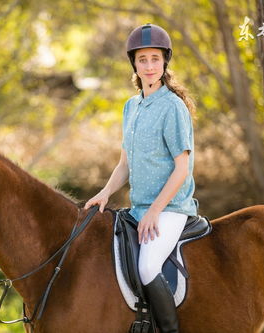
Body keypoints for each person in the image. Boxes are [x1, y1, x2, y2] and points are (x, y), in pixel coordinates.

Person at [85, 23, 198, 333]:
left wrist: (155, 211)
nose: (149, 66)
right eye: (143, 59)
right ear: (133, 63)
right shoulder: (131, 107)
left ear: (164, 62)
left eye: (155, 59)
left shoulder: (173, 107)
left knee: (147, 266)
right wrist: (105, 193)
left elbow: (181, 169)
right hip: (137, 209)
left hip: (171, 208)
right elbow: (125, 163)